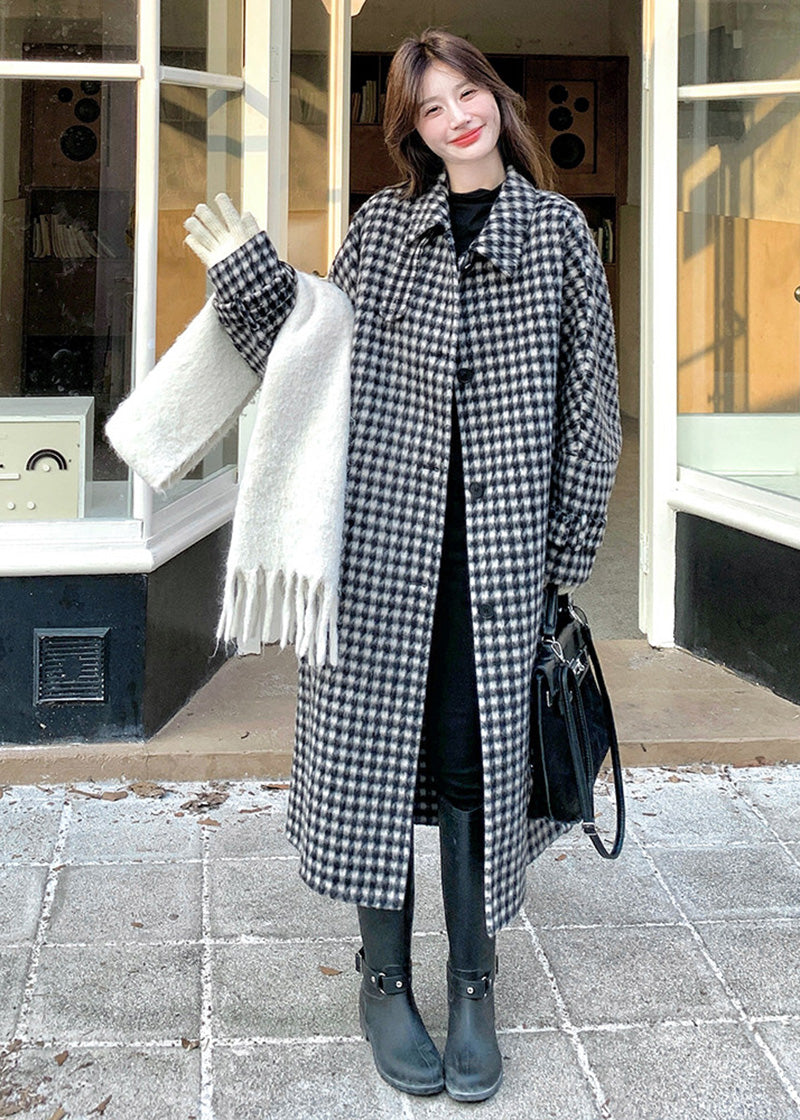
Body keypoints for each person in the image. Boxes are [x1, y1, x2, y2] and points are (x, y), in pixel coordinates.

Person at [183, 28, 621, 1103]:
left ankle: (473, 981)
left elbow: (592, 407)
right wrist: (247, 284)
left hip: (498, 559)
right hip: (381, 553)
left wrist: (557, 553)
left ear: (495, 101)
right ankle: (383, 981)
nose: (456, 116)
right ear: (411, 130)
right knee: (383, 763)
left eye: (467, 93)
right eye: (432, 107)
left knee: (475, 762)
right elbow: (307, 357)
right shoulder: (381, 231)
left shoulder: (558, 232)